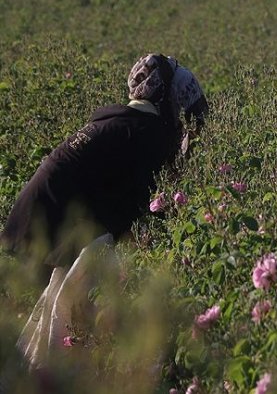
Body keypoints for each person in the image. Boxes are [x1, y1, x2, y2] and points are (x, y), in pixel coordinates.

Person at [1, 53, 207, 369]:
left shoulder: (120, 119)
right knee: (78, 308)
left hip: (34, 216)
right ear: (166, 97)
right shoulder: (145, 132)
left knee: (64, 303)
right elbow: (141, 203)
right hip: (46, 222)